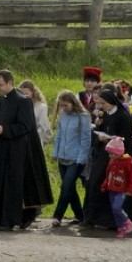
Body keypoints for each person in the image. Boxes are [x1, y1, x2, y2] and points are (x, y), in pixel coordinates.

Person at [0, 70, 53, 230]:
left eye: (1, 85)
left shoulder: (23, 102)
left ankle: (8, 220)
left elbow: (25, 126)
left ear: (10, 82)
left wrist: (4, 130)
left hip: (14, 152)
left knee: (11, 186)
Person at [83, 88, 132, 229]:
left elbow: (125, 139)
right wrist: (99, 135)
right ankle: (95, 217)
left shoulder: (122, 116)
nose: (101, 106)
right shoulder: (106, 115)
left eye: (103, 103)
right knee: (96, 183)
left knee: (116, 187)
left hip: (117, 157)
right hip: (103, 153)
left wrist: (110, 139)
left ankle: (117, 220)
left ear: (111, 102)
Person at [51, 90, 90, 226]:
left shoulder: (83, 117)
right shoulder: (63, 115)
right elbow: (59, 136)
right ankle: (80, 215)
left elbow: (86, 139)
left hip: (76, 158)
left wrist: (81, 158)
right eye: (61, 106)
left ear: (73, 103)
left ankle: (57, 215)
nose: (63, 108)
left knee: (65, 186)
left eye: (65, 105)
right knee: (70, 189)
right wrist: (55, 153)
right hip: (63, 156)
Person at [102, 136, 132, 238]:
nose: (110, 156)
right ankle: (121, 227)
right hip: (111, 189)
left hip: (121, 190)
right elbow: (108, 174)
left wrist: (130, 189)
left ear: (118, 153)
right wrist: (105, 184)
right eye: (109, 153)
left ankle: (127, 222)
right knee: (114, 210)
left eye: (112, 153)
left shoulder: (127, 162)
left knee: (116, 207)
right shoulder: (112, 161)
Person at [19, 80, 53, 145]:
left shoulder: (41, 107)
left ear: (32, 93)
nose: (24, 96)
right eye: (22, 94)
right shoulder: (19, 106)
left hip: (35, 139)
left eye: (26, 94)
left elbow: (43, 126)